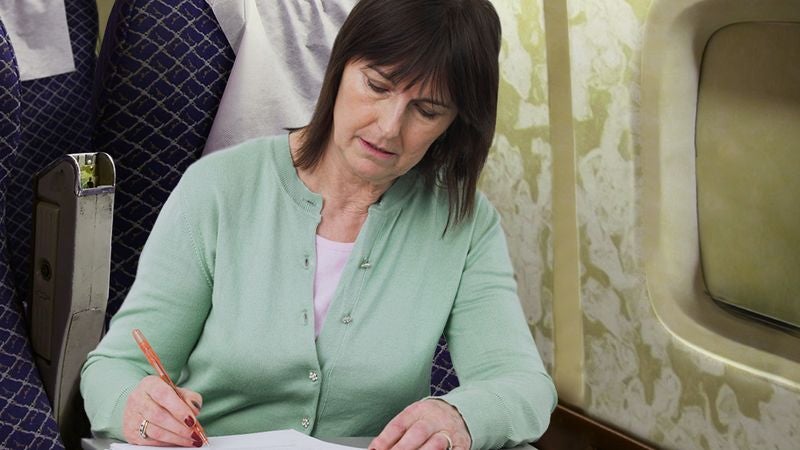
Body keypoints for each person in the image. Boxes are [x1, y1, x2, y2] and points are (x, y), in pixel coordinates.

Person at [80, 0, 558, 448]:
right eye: (377, 85)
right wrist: (135, 407)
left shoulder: (464, 223)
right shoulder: (218, 187)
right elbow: (114, 367)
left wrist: (462, 418)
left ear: (454, 124)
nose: (389, 126)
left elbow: (523, 385)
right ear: (339, 68)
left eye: (427, 110)